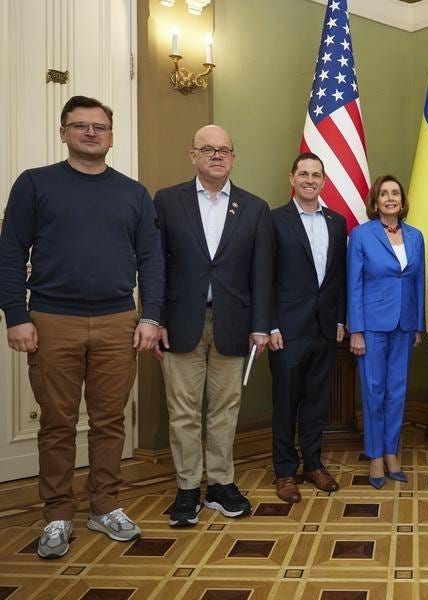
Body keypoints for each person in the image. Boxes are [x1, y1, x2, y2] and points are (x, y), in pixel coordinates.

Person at [0, 95, 163, 558]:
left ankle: (105, 504)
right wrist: (16, 314)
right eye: (81, 125)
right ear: (63, 132)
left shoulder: (133, 192)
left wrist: (150, 316)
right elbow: (10, 252)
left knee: (111, 422)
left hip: (117, 321)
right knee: (57, 422)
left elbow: (151, 259)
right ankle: (56, 514)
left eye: (99, 126)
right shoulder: (35, 184)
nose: (91, 133)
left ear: (111, 136)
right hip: (52, 322)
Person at [153, 125, 272, 527]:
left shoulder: (254, 207)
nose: (216, 156)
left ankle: (221, 484)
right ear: (193, 155)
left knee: (225, 410)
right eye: (208, 149)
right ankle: (188, 488)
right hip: (180, 323)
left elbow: (262, 273)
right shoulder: (168, 202)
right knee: (183, 412)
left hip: (234, 325)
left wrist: (260, 325)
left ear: (233, 158)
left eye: (224, 150)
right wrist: (154, 319)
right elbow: (156, 267)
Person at [267, 152, 347, 504]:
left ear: (324, 181)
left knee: (317, 401)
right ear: (292, 178)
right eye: (303, 174)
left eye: (316, 175)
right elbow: (263, 277)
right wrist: (269, 325)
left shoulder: (336, 221)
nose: (310, 180)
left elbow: (339, 276)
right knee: (286, 403)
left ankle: (313, 464)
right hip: (286, 329)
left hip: (325, 327)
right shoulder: (273, 220)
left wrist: (341, 318)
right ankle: (285, 471)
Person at [347, 175, 425, 489]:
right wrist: (357, 330)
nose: (390, 198)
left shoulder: (416, 236)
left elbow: (418, 282)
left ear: (402, 200)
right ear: (375, 201)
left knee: (397, 391)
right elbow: (353, 284)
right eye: (384, 193)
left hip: (404, 325)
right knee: (374, 390)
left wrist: (419, 324)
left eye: (395, 193)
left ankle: (392, 451)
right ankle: (376, 455)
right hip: (373, 325)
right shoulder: (361, 235)